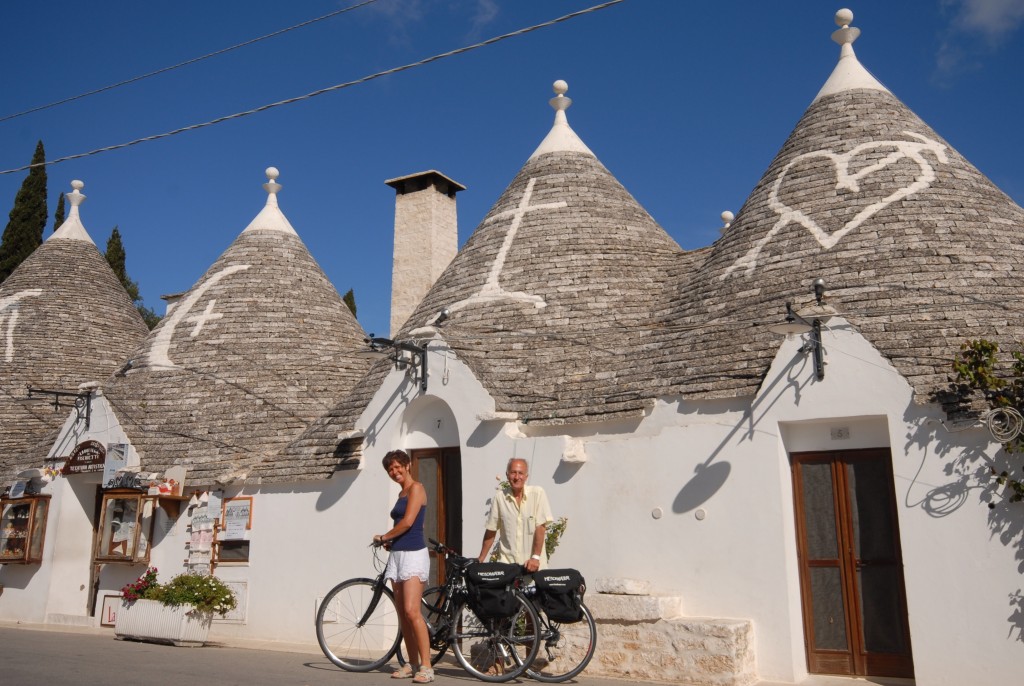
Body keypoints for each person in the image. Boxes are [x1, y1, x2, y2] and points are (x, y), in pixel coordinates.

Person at [373, 450, 433, 683]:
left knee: (412, 611)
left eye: (398, 467)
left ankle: (427, 666)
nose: (394, 472)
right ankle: (412, 663)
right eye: (390, 469)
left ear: (408, 465)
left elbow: (408, 522)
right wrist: (391, 542)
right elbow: (402, 523)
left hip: (414, 555)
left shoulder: (417, 488)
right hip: (397, 555)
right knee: (402, 614)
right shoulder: (401, 493)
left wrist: (384, 536)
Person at [478, 457, 554, 573]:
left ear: (526, 476)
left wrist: (536, 557)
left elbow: (540, 527)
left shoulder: (537, 494)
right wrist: (480, 560)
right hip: (507, 568)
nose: (517, 477)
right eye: (513, 472)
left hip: (533, 567)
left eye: (520, 473)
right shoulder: (500, 498)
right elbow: (491, 530)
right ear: (507, 475)